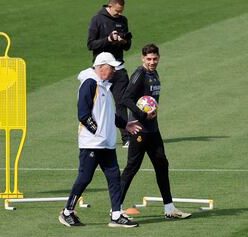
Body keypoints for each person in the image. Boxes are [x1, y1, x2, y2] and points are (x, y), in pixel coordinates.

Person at [58, 52, 141, 228]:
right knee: (85, 177)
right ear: (101, 67)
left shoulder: (103, 86)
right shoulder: (89, 84)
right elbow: (83, 114)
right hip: (92, 143)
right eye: (111, 68)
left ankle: (117, 215)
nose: (114, 72)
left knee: (114, 177)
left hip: (106, 144)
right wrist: (97, 132)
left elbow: (109, 115)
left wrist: (125, 125)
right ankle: (67, 212)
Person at [120, 44, 192, 219]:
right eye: (149, 59)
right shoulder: (140, 74)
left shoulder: (154, 73)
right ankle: (116, 208)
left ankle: (169, 209)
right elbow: (126, 99)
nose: (152, 62)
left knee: (162, 165)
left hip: (153, 130)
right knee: (132, 168)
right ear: (142, 58)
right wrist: (142, 113)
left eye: (155, 58)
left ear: (159, 57)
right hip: (139, 130)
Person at [87, 0, 132, 148]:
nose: (119, 14)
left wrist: (122, 40)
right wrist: (108, 39)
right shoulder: (97, 19)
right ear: (110, 6)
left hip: (118, 68)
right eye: (117, 11)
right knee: (98, 104)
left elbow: (128, 46)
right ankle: (97, 134)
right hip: (102, 71)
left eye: (121, 11)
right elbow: (91, 44)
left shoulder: (123, 20)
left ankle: (126, 138)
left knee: (121, 102)